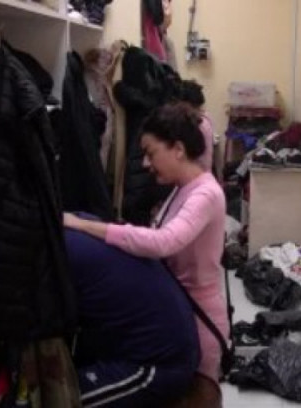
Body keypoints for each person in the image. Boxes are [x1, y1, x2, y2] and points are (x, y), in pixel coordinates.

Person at [64, 102, 228, 406]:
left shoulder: (206, 193)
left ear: (178, 149)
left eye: (151, 153)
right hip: (177, 307)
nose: (145, 164)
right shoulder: (182, 189)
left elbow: (162, 242)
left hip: (199, 317)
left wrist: (85, 226)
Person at [65, 224, 200, 408]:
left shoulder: (61, 250)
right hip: (138, 341)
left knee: (56, 399)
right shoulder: (76, 227)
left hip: (159, 364)